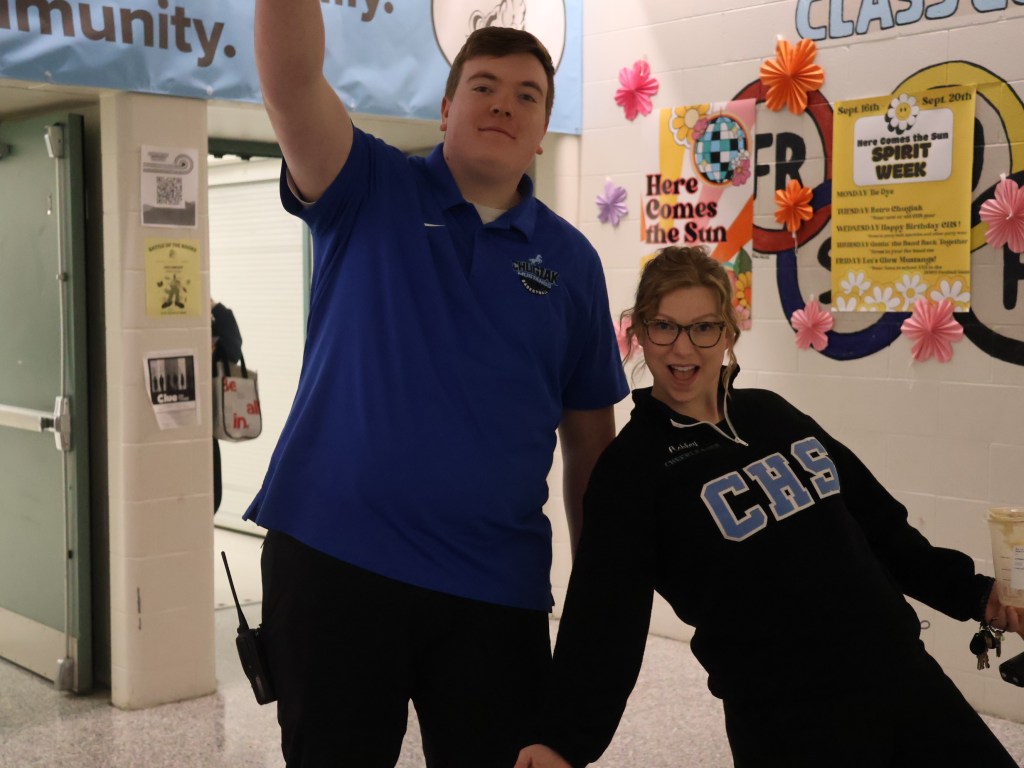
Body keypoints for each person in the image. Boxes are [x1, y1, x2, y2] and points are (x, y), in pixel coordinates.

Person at [244, 7, 628, 767]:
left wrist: (598, 599)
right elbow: (290, 84)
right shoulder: (367, 186)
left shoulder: (572, 262)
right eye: (483, 86)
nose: (503, 104)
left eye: (526, 95)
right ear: (446, 108)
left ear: (543, 131)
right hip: (335, 566)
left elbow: (591, 447)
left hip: (496, 590)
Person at [515, 246, 1024, 768]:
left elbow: (882, 529)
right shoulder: (632, 469)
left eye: (704, 327)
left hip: (904, 679)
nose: (683, 347)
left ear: (728, 334)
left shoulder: (771, 414)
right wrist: (563, 740)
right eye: (664, 326)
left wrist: (977, 594)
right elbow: (605, 616)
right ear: (639, 332)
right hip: (790, 721)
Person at [211, 299, 243, 514]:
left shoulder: (205, 320)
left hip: (204, 429)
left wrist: (213, 306)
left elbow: (233, 348)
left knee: (211, 497)